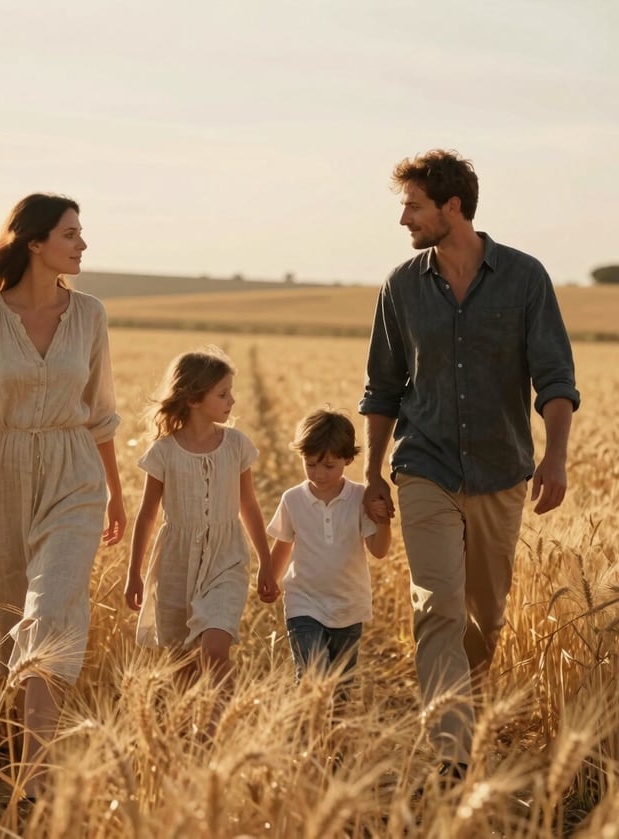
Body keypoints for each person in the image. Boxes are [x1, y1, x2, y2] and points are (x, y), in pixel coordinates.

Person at [359, 149, 580, 780]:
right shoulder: (401, 285)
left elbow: (555, 377)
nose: (405, 219)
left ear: (451, 206)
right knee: (439, 607)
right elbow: (382, 387)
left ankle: (468, 713)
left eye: (414, 206)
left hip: (500, 469)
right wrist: (375, 473)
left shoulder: (524, 278)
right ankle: (451, 757)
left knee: (485, 617)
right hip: (424, 467)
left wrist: (555, 458)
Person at [0, 193, 126, 802]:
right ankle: (17, 749)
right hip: (2, 473)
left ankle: (35, 781)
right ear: (36, 243)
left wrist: (115, 493)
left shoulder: (90, 314)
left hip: (74, 473)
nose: (83, 244)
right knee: (12, 621)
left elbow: (100, 414)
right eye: (72, 234)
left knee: (52, 613)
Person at [124, 346, 278, 692]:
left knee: (214, 650)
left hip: (226, 560)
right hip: (176, 565)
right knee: (183, 665)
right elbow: (147, 516)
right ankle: (194, 740)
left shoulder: (237, 445)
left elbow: (249, 506)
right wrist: (135, 573)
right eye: (223, 394)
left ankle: (222, 729)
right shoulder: (164, 452)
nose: (232, 401)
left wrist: (266, 563)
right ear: (193, 399)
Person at [267, 408, 391, 697]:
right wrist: (270, 580)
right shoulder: (293, 499)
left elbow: (379, 550)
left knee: (341, 689)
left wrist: (382, 520)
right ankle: (309, 737)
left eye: (329, 466)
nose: (319, 474)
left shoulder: (360, 497)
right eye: (310, 465)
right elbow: (284, 543)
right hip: (304, 603)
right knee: (313, 678)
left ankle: (334, 740)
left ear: (348, 459)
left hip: (349, 605)